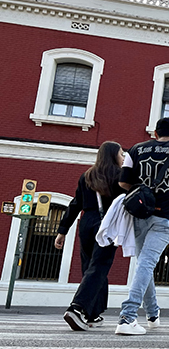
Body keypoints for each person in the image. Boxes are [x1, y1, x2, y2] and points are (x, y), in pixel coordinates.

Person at [115, 118, 169, 335]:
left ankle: (153, 314)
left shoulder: (135, 149)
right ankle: (127, 317)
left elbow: (123, 182)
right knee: (146, 263)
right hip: (165, 217)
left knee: (144, 263)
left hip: (140, 214)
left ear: (154, 132)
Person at [55, 141, 125, 331]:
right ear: (113, 156)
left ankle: (93, 314)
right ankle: (77, 308)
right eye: (121, 153)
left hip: (86, 223)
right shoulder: (120, 176)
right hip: (107, 224)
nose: (123, 156)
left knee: (91, 268)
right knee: (99, 267)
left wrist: (63, 230)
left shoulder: (86, 176)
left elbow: (75, 204)